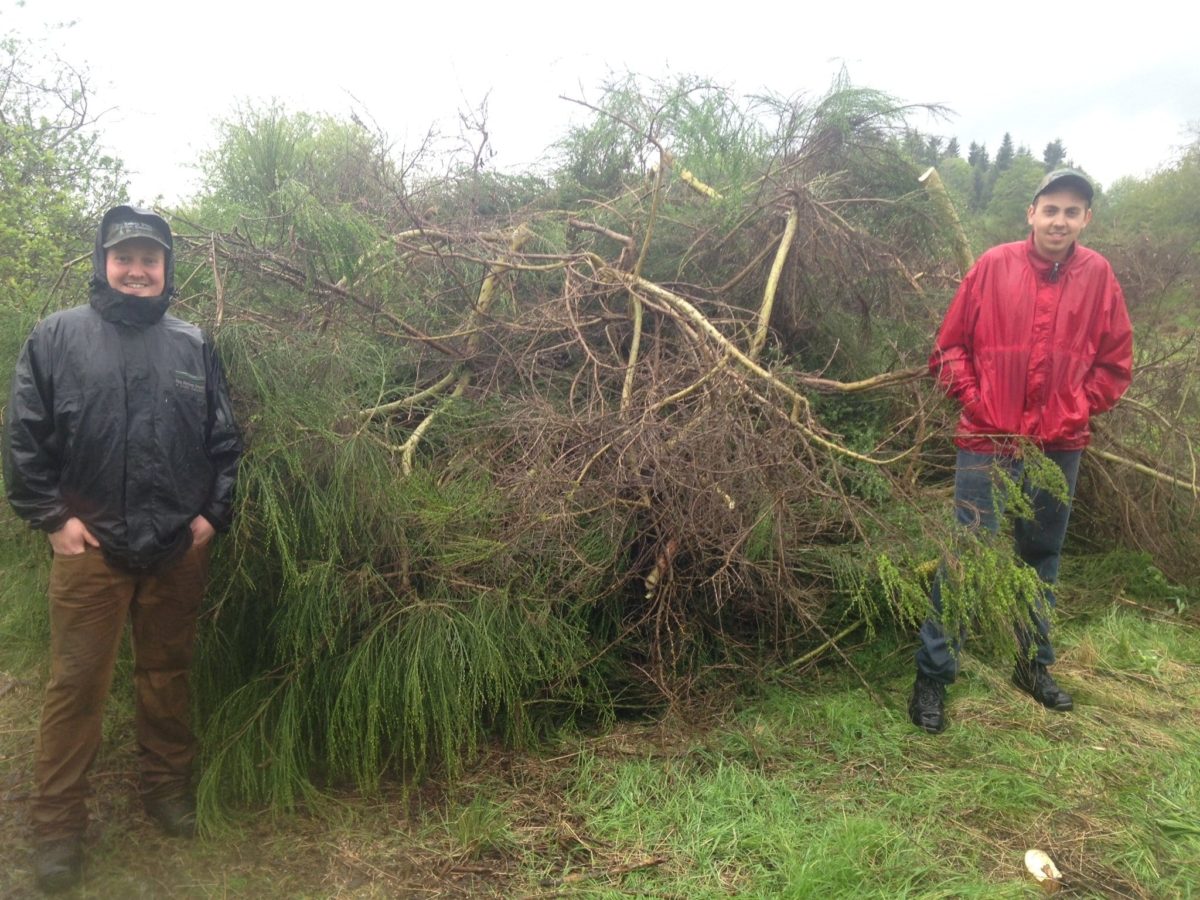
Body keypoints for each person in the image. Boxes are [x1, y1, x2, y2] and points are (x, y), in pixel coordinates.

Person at [3, 206, 242, 891]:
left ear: (167, 270)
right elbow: (25, 439)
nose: (137, 270)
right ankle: (57, 830)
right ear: (103, 262)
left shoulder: (194, 344)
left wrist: (210, 518)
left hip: (177, 547)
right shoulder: (56, 337)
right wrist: (53, 520)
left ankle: (167, 792)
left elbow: (223, 443)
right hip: (91, 551)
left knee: (167, 675)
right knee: (76, 688)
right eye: (125, 258)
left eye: (151, 260)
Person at [908, 169, 1133, 734]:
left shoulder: (1099, 276)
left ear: (1087, 220)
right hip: (988, 439)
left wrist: (1078, 407)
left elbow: (1115, 363)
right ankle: (933, 676)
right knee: (968, 556)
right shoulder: (993, 266)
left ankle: (1032, 666)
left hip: (1060, 444)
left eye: (1072, 211)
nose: (1060, 220)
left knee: (1041, 556)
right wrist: (976, 398)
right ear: (1030, 213)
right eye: (1051, 209)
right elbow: (949, 347)